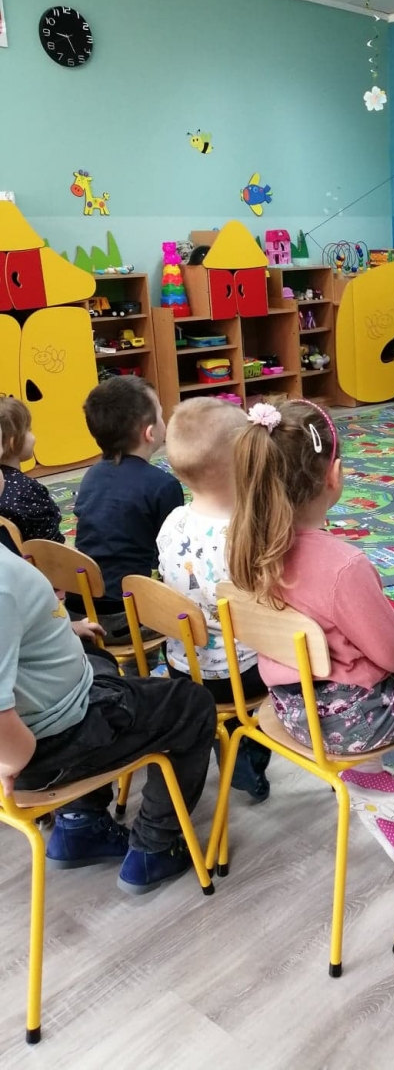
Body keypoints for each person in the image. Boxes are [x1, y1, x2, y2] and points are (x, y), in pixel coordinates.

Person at [227, 400, 394, 872]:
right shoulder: (345, 567)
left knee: (375, 678)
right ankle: (393, 797)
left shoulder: (245, 548)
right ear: (335, 475)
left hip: (293, 709)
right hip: (352, 722)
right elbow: (392, 654)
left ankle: (368, 780)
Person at [0, 538, 217, 894]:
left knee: (99, 660)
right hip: (54, 740)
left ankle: (80, 824)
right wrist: (11, 760)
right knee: (193, 705)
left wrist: (57, 629)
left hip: (54, 713)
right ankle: (154, 848)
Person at [157, 397, 272, 803]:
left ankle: (211, 734)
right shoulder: (249, 533)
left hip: (180, 666)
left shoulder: (172, 521)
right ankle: (245, 752)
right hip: (238, 676)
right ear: (246, 463)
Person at [73, 377, 183, 639]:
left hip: (79, 611)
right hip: (126, 616)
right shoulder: (163, 485)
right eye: (161, 414)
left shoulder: (91, 475)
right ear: (150, 433)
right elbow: (172, 559)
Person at [0, 395, 64, 542]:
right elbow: (52, 542)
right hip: (38, 554)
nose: (33, 436)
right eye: (29, 429)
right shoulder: (27, 490)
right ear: (14, 442)